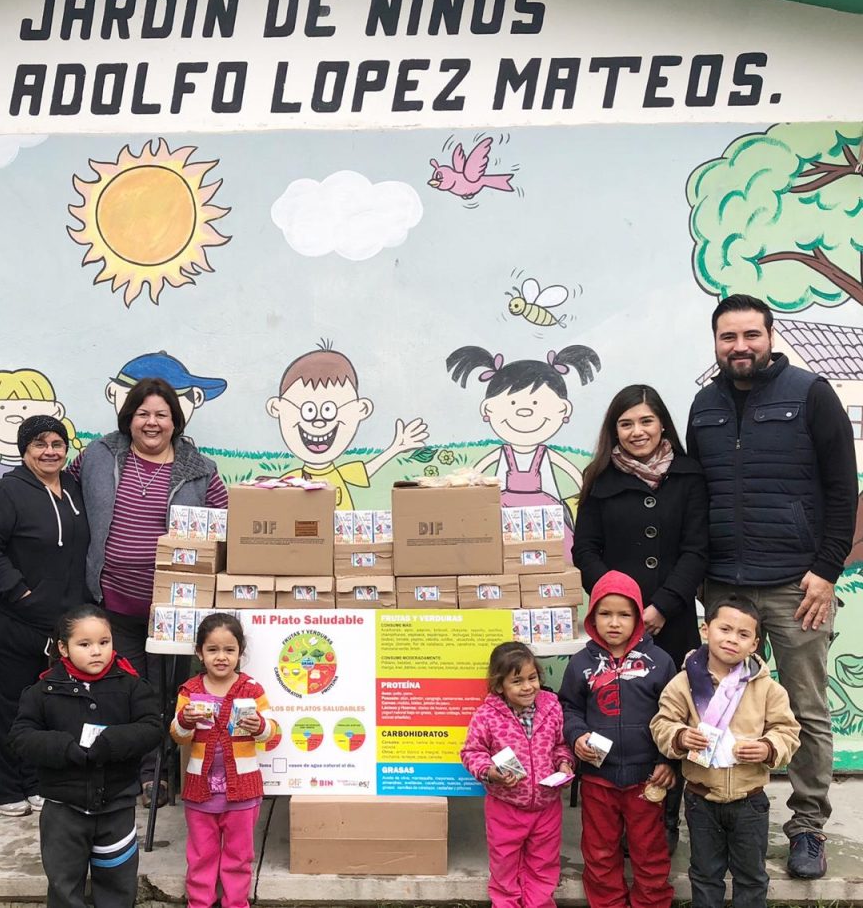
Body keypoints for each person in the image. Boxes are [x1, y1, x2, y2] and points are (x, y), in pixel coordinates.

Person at [686, 293, 857, 879]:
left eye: (751, 335)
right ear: (716, 342)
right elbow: (698, 492)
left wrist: (827, 570)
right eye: (728, 337)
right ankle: (721, 808)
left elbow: (843, 488)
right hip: (724, 586)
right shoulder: (704, 406)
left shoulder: (811, 394)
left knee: (805, 707)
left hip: (795, 585)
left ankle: (807, 826)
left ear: (770, 336)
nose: (740, 347)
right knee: (716, 704)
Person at [68, 376, 227, 807]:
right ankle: (138, 772)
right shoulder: (99, 456)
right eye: (143, 414)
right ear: (129, 418)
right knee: (129, 689)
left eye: (161, 414)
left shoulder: (201, 471)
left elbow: (226, 523)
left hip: (172, 608)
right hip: (112, 601)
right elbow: (61, 490)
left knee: (167, 693)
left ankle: (165, 771)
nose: (151, 422)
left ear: (175, 421)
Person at [574, 383, 708, 849]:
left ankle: (664, 814)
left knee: (671, 711)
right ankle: (616, 815)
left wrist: (661, 606)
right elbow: (585, 550)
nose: (637, 431)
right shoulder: (600, 479)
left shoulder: (689, 476)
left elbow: (697, 550)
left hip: (674, 619)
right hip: (616, 624)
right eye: (626, 423)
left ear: (662, 425)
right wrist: (622, 606)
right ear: (614, 430)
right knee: (620, 710)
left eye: (646, 421)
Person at [0, 415, 90, 817]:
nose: (50, 451)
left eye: (57, 444)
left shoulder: (73, 489)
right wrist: (20, 592)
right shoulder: (5, 493)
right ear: (24, 451)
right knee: (3, 706)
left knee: (42, 707)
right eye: (39, 444)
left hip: (52, 625)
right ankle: (4, 788)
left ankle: (36, 781)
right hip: (5, 619)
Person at [651, 595, 800, 908]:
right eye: (725, 629)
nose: (732, 639)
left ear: (755, 644)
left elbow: (788, 731)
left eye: (743, 634)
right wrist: (680, 737)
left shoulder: (767, 688)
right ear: (705, 630)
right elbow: (661, 724)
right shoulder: (683, 683)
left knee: (752, 877)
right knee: (705, 875)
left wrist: (768, 747)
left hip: (750, 801)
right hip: (700, 799)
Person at [9, 604, 159, 908]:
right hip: (63, 810)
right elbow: (21, 737)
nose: (97, 652)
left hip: (116, 806)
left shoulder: (131, 685)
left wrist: (112, 742)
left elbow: (152, 727)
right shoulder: (43, 691)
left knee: (118, 885)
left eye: (104, 642)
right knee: (64, 885)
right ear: (63, 648)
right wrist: (64, 748)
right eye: (85, 644)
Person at [559, 570, 676, 908]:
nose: (614, 622)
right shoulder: (580, 663)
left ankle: (651, 903)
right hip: (598, 778)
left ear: (638, 617)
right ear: (591, 616)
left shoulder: (660, 662)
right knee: (599, 851)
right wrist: (577, 735)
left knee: (649, 851)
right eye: (605, 613)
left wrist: (667, 761)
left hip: (647, 779)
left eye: (624, 614)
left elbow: (674, 716)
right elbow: (569, 707)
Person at [447, 344, 601, 559]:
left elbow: (577, 477)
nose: (524, 411)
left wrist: (588, 501)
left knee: (552, 555)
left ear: (564, 409)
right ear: (487, 408)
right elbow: (475, 474)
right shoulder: (500, 453)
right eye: (512, 402)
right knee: (502, 554)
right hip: (503, 515)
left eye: (536, 402)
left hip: (546, 517)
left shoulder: (547, 454)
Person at [170, 613, 277, 908]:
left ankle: (236, 903)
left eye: (229, 650)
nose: (221, 657)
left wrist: (259, 726)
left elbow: (271, 733)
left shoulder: (252, 689)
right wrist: (185, 721)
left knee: (239, 856)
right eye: (212, 650)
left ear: (240, 652)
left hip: (243, 791)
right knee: (201, 855)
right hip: (200, 790)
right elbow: (178, 736)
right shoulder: (190, 691)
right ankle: (199, 903)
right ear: (199, 653)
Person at [460, 641, 574, 908]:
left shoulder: (552, 707)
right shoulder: (486, 716)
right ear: (500, 686)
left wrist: (564, 764)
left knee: (543, 865)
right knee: (504, 866)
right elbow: (471, 752)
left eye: (532, 678)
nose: (527, 687)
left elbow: (561, 745)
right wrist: (490, 772)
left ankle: (539, 904)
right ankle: (506, 903)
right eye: (517, 681)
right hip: (505, 808)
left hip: (547, 806)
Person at [266, 345, 428, 509]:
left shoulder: (341, 473)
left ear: (361, 409)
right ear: (276, 408)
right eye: (309, 411)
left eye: (328, 410)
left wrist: (395, 448)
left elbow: (366, 470)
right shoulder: (293, 480)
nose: (319, 422)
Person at [0, 367, 82, 506]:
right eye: (39, 445)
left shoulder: (72, 486)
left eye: (57, 445)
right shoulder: (0, 489)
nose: (14, 418)